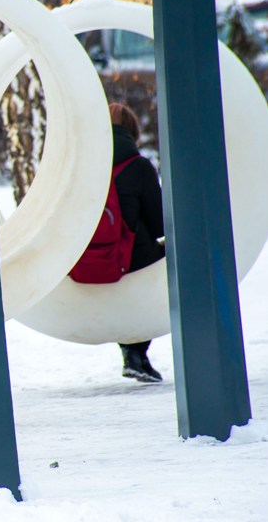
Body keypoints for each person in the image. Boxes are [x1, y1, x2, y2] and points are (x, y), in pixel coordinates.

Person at [109, 103, 165, 383]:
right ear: (132, 132)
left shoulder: (83, 163)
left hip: (88, 255)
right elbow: (159, 223)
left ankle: (133, 355)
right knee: (162, 261)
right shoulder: (139, 166)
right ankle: (136, 354)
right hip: (133, 256)